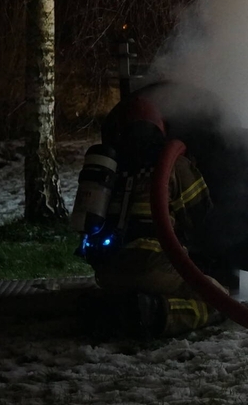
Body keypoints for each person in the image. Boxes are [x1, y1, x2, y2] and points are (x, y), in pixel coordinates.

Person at [75, 96, 226, 340]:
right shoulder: (174, 164)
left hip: (108, 270)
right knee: (219, 300)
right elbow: (202, 219)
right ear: (160, 127)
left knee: (135, 284)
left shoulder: (108, 168)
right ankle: (152, 313)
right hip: (153, 266)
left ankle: (114, 308)